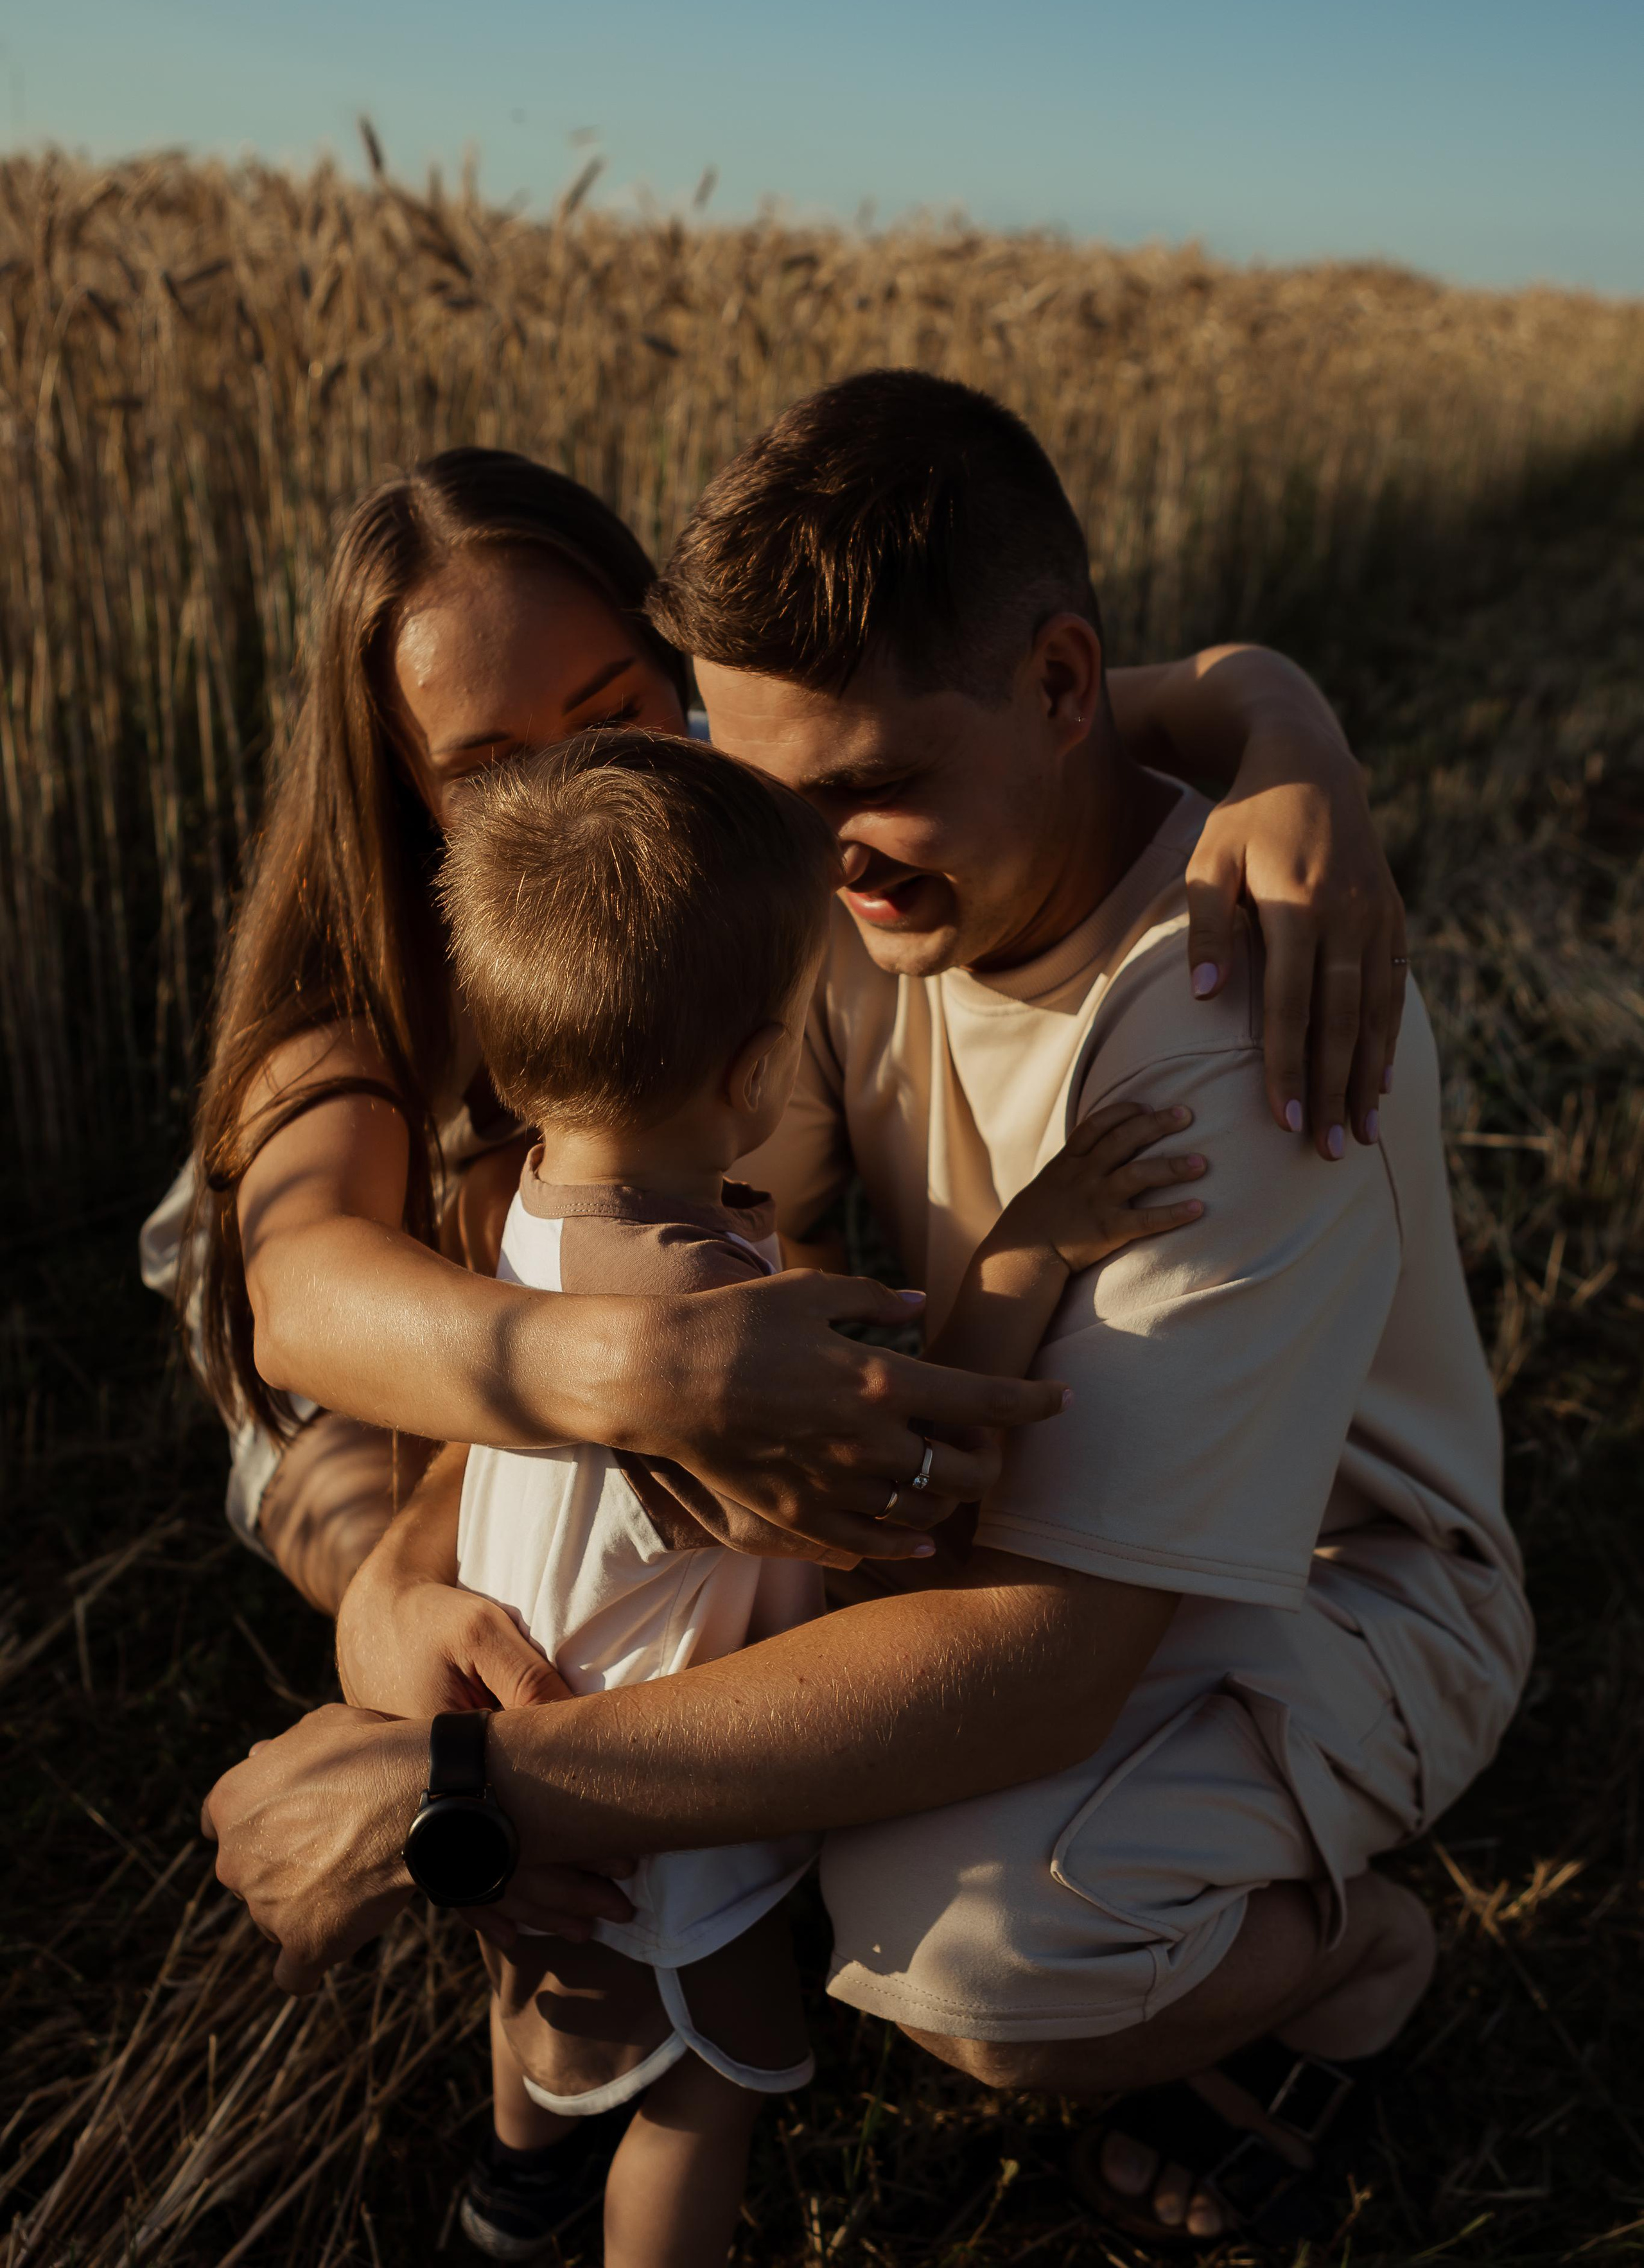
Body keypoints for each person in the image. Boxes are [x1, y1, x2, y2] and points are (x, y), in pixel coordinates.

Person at [203, 382, 1499, 2247]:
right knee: (777, 1799)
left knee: (975, 1947)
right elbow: (589, 1276)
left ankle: (1354, 1965)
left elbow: (1045, 1654)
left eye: (856, 787)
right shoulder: (830, 886)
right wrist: (413, 1581)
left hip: (1320, 1573)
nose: (806, 852)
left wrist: (470, 1789)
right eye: (762, 789)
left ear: (1062, 688)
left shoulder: (1230, 1022)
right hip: (1016, 1497)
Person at [148, 447, 1405, 1625]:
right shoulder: (353, 985)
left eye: (613, 711)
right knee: (454, 1620)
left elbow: (1057, 701)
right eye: (487, 769)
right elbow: (303, 1304)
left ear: (679, 678)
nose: (582, 788)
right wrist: (652, 1374)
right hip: (370, 1402)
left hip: (628, 1318)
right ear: (403, 784)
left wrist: (1290, 745)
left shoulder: (712, 812)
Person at [429, 724, 1214, 2265]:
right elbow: (911, 1484)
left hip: (541, 1732)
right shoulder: (700, 1333)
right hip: (656, 1809)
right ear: (756, 1073)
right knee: (696, 2097)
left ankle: (512, 2192)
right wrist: (1025, 1247)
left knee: (547, 2012)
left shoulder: (536, 1210)